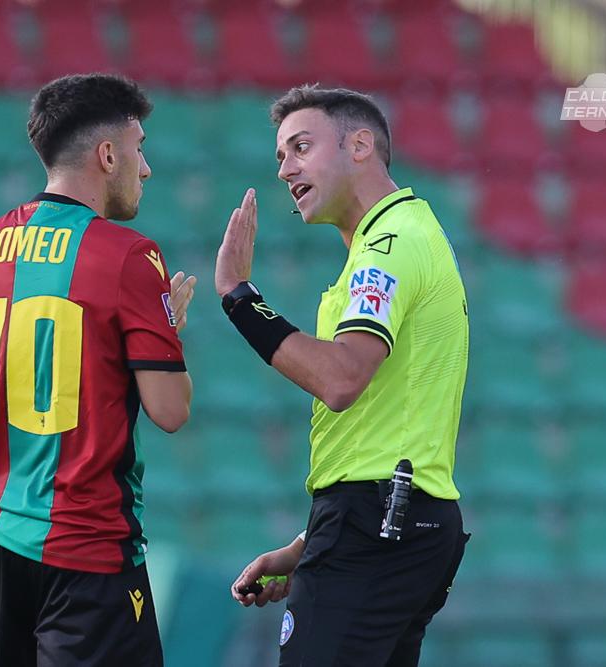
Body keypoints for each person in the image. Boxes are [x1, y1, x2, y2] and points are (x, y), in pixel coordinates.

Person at [0, 74, 196, 667]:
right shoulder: (130, 256)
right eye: (139, 147)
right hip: (85, 545)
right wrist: (166, 332)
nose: (145, 167)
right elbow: (171, 410)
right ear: (108, 155)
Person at [217, 85, 470, 666]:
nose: (286, 169)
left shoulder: (388, 242)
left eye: (301, 147)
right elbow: (381, 426)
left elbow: (341, 379)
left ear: (360, 145)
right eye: (280, 156)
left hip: (377, 523)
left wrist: (239, 297)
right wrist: (307, 547)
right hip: (395, 517)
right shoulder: (402, 238)